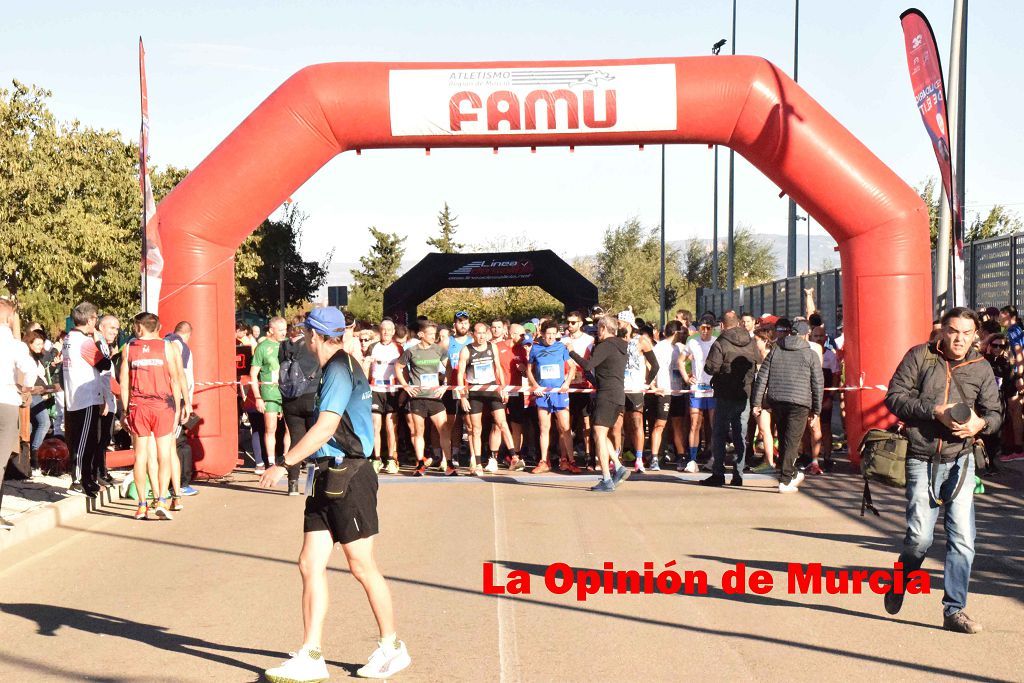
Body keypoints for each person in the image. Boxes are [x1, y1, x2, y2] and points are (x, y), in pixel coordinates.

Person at [259, 306, 411, 681]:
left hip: (352, 473)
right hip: (326, 474)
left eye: (305, 333)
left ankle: (392, 647)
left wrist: (284, 462)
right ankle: (311, 654)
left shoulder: (341, 367)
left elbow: (326, 428)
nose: (302, 338)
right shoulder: (333, 367)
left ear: (314, 335)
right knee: (310, 563)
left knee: (361, 565)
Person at [882, 307, 1001, 634]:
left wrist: (982, 424)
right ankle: (901, 578)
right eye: (954, 331)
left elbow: (995, 414)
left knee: (963, 539)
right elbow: (894, 398)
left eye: (967, 333)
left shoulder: (981, 367)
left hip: (961, 460)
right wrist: (934, 410)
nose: (960, 339)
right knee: (919, 539)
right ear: (942, 331)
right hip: (921, 458)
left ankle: (954, 610)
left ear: (975, 334)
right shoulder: (920, 357)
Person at [120, 312, 187, 521]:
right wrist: (180, 405)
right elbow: (176, 378)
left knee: (140, 456)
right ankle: (161, 500)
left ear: (139, 328)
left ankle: (141, 505)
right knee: (164, 454)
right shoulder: (168, 346)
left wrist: (124, 410)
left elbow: (124, 382)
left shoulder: (129, 348)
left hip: (138, 406)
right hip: (163, 405)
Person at [751, 319, 823, 493]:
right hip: (800, 402)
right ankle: (785, 479)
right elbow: (817, 383)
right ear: (806, 334)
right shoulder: (810, 354)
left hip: (777, 399)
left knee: (783, 438)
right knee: (792, 440)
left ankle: (787, 474)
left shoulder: (776, 349)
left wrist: (756, 402)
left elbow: (762, 377)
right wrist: (816, 409)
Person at [566, 315, 630, 492]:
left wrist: (571, 351)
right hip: (617, 394)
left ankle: (607, 479)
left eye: (598, 329)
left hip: (607, 395)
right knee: (602, 432)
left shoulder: (606, 345)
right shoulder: (621, 346)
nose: (597, 333)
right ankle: (618, 466)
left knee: (599, 435)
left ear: (603, 328)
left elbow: (588, 365)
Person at [700, 310, 758, 487]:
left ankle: (718, 473)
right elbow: (756, 364)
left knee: (719, 433)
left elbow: (710, 368)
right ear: (740, 323)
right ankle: (738, 474)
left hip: (724, 393)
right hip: (744, 393)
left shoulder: (721, 342)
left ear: (723, 325)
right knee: (741, 434)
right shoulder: (751, 341)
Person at [62, 302, 112, 497]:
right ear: (90, 319)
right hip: (85, 397)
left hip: (79, 397)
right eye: (96, 318)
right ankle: (77, 479)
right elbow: (104, 363)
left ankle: (87, 479)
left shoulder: (69, 338)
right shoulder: (84, 342)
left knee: (89, 440)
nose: (96, 322)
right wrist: (99, 342)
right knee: (83, 441)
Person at [457, 322, 518, 475]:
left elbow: (498, 368)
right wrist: (462, 396)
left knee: (502, 422)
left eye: (484, 332)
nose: (482, 336)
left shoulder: (492, 347)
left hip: (491, 389)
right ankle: (477, 463)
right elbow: (460, 374)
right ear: (473, 334)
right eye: (478, 333)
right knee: (476, 429)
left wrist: (503, 389)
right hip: (475, 391)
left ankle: (514, 456)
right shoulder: (466, 350)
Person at [395, 320, 454, 476]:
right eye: (430, 334)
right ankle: (420, 463)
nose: (433, 337)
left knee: (444, 430)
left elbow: (449, 367)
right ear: (421, 334)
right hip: (418, 398)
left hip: (434, 396)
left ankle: (449, 463)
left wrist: (445, 385)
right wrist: (406, 386)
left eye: (435, 335)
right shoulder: (411, 351)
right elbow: (398, 367)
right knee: (418, 431)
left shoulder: (439, 350)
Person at [1, 299, 36, 528]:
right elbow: (29, 370)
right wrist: (25, 388)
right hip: (6, 401)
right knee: (1, 459)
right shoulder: (15, 345)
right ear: (9, 317)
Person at [280, 316, 323, 493]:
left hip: (290, 398)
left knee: (296, 439)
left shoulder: (283, 346)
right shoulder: (313, 346)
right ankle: (314, 485)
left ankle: (293, 484)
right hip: (311, 394)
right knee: (315, 440)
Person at [526, 321, 576, 473]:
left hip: (560, 393)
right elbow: (529, 370)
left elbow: (572, 366)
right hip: (544, 394)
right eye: (548, 334)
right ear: (542, 334)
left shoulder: (561, 347)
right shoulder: (535, 348)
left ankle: (569, 461)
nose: (551, 337)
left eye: (554, 334)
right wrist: (535, 386)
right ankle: (543, 462)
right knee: (544, 427)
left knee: (565, 428)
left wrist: (567, 382)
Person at [615, 309, 657, 473]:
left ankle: (639, 459)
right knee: (616, 426)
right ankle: (617, 459)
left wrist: (647, 383)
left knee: (637, 423)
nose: (618, 325)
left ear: (628, 324)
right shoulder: (615, 341)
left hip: (635, 389)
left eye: (620, 323)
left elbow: (655, 365)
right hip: (619, 388)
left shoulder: (641, 341)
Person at [250, 316, 288, 475]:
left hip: (287, 392)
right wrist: (258, 397)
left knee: (289, 428)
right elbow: (253, 375)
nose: (284, 333)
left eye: (285, 329)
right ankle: (271, 462)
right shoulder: (263, 347)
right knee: (270, 428)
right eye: (280, 330)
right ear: (271, 330)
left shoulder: (287, 345)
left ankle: (286, 460)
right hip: (269, 393)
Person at [681, 315, 717, 473]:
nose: (705, 331)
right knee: (695, 424)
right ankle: (692, 460)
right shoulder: (692, 342)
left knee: (714, 425)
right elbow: (680, 361)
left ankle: (715, 458)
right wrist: (686, 377)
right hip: (697, 389)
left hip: (714, 389)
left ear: (713, 328)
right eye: (702, 327)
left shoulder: (717, 342)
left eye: (708, 328)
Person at [369, 319, 402, 474]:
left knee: (390, 426)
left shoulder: (398, 348)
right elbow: (366, 367)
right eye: (383, 329)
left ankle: (391, 459)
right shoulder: (372, 347)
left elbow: (404, 369)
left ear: (393, 331)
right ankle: (376, 459)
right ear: (379, 331)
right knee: (376, 425)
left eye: (389, 329)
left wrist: (404, 389)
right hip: (375, 389)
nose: (386, 332)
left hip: (392, 390)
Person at [648, 321, 683, 472]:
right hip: (664, 391)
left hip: (679, 392)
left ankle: (681, 456)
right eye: (681, 332)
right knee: (659, 425)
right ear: (675, 332)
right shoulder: (660, 347)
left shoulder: (680, 348)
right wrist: (652, 385)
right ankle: (655, 457)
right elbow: (650, 366)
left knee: (678, 426)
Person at [24, 330, 59, 477]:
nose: (40, 346)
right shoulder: (27, 358)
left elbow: (46, 366)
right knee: (44, 423)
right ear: (30, 344)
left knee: (33, 426)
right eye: (37, 344)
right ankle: (34, 461)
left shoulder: (38, 356)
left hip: (40, 393)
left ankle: (30, 462)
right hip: (33, 394)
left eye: (41, 343)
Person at [564, 311, 595, 467]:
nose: (570, 325)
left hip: (584, 386)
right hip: (567, 386)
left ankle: (589, 455)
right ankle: (566, 458)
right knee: (565, 423)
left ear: (581, 324)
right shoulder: (563, 340)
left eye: (573, 322)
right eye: (568, 322)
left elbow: (591, 362)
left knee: (586, 423)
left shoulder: (590, 340)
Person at [94, 315, 121, 487]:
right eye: (111, 327)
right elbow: (101, 375)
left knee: (105, 439)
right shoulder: (98, 345)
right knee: (99, 439)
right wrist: (104, 398)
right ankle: (97, 472)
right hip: (101, 399)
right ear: (101, 327)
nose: (114, 331)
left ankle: (103, 470)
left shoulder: (106, 347)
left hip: (109, 400)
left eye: (117, 328)